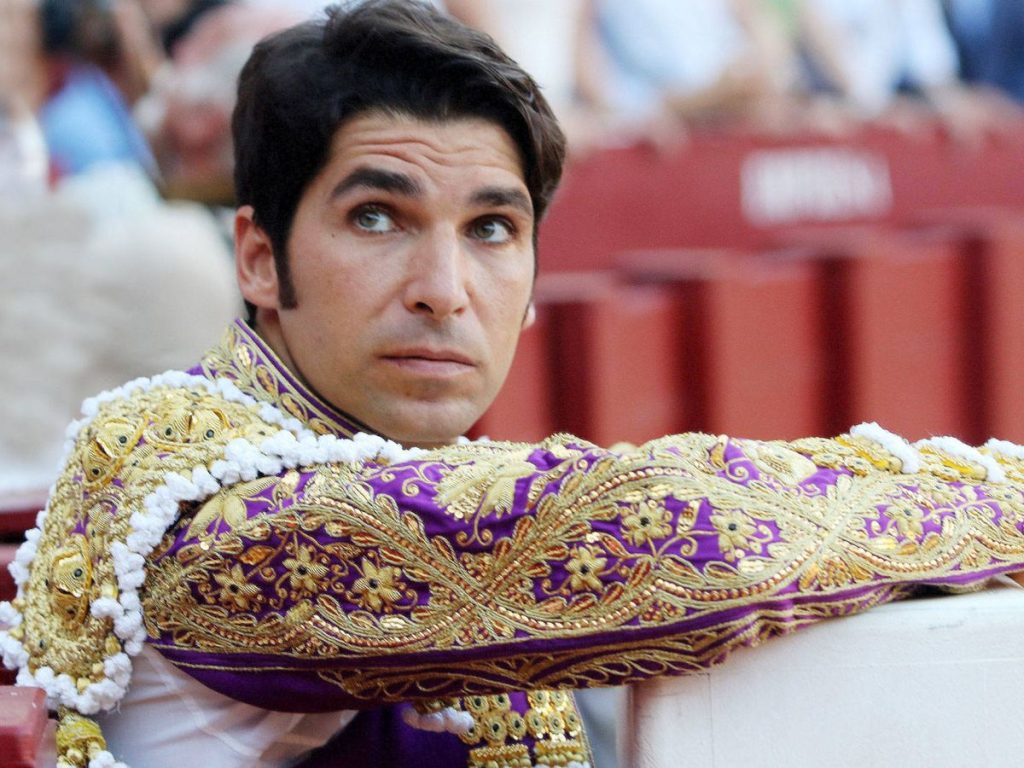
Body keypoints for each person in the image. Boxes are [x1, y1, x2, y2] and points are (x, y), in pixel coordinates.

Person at [1, 2, 1022, 768]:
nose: (444, 292)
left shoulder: (371, 457)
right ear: (261, 261)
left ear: (536, 284)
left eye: (491, 230)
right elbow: (673, 534)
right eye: (376, 218)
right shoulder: (226, 513)